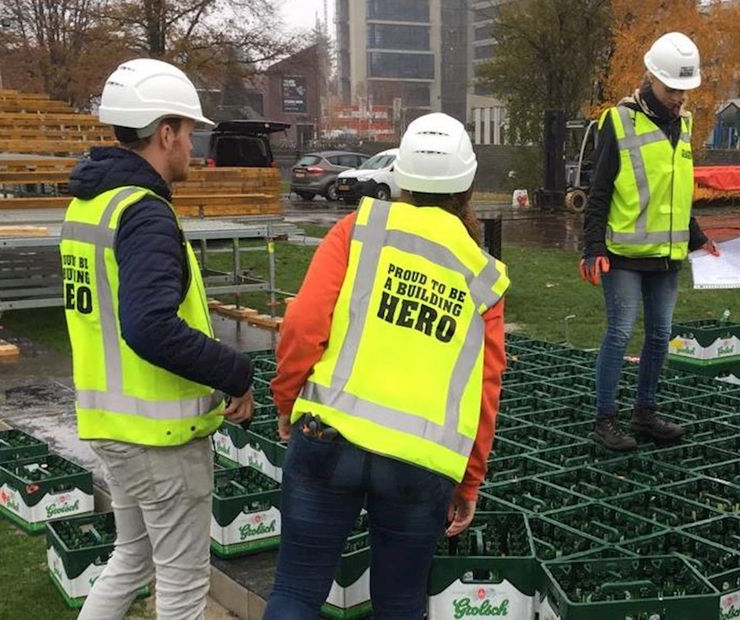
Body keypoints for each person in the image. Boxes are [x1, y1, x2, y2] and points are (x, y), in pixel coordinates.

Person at [264, 113, 508, 619]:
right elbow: (487, 388)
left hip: (327, 436)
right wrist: (469, 482)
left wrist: (287, 402)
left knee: (295, 591)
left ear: (401, 176)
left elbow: (303, 324)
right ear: (467, 186)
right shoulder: (482, 274)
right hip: (419, 465)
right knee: (399, 605)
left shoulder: (360, 230)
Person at [60, 58, 254, 620]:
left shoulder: (90, 202)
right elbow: (149, 326)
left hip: (112, 426)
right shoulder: (144, 213)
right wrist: (234, 371)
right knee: (183, 587)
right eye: (189, 132)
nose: (192, 145)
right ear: (165, 133)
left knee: (132, 559)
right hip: (159, 439)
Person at [580, 31, 718, 451]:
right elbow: (599, 189)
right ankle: (606, 419)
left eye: (684, 89)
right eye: (672, 88)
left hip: (667, 257)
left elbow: (673, 193)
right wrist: (592, 248)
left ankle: (645, 413)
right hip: (622, 253)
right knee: (619, 333)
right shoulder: (618, 121)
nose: (679, 97)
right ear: (651, 79)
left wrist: (697, 238)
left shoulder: (685, 124)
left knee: (660, 337)